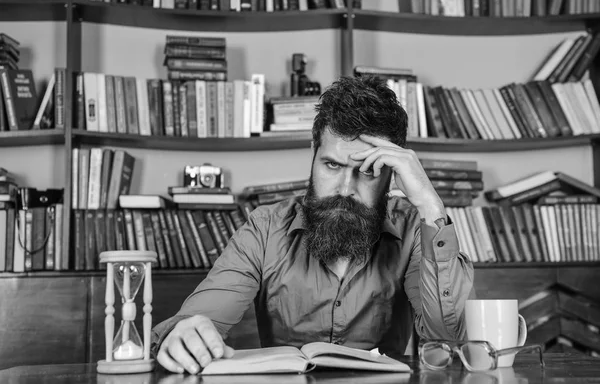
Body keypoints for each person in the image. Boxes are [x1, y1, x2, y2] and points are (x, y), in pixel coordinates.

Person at [151, 75, 475, 374]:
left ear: (392, 172)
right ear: (313, 153)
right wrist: (185, 332)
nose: (345, 189)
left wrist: (431, 207)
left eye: (367, 171)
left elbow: (448, 337)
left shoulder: (416, 229)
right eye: (332, 165)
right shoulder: (265, 227)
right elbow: (199, 318)